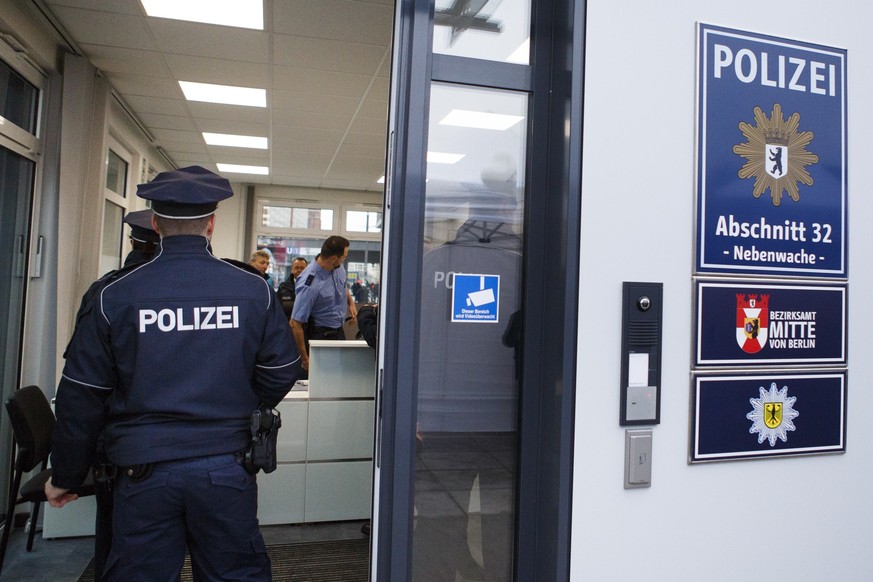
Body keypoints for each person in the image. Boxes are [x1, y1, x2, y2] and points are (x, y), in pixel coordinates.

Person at [45, 165, 301, 581]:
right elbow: (282, 370)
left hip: (143, 472)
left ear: (158, 224)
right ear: (212, 224)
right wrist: (238, 401)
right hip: (226, 467)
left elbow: (82, 393)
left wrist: (67, 474)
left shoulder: (115, 294)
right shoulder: (251, 289)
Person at [290, 236, 357, 371]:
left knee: (341, 375)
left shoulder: (338, 268)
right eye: (344, 256)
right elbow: (294, 323)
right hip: (321, 336)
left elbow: (342, 285)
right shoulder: (309, 283)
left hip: (338, 330)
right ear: (333, 258)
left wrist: (351, 303)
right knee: (325, 380)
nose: (345, 258)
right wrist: (304, 358)